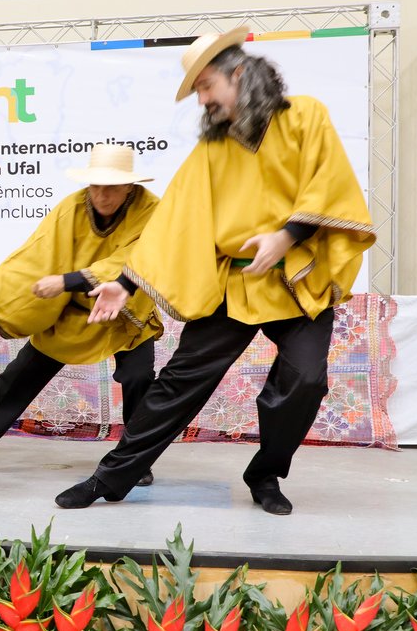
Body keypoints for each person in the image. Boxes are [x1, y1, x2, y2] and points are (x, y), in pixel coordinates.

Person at [54, 26, 376, 515]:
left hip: (297, 278)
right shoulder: (212, 149)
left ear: (239, 74)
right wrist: (122, 282)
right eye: (198, 91)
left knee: (306, 380)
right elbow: (173, 222)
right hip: (235, 284)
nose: (202, 99)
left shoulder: (306, 115)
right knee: (181, 382)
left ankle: (265, 473)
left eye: (206, 86)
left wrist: (285, 236)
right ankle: (111, 477)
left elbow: (327, 184)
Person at [0, 144, 162, 486]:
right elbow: (36, 255)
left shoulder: (153, 211)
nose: (101, 195)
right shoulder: (72, 208)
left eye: (111, 187)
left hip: (125, 310)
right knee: (18, 378)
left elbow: (144, 256)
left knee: (139, 379)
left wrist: (68, 280)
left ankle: (135, 462)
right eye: (96, 186)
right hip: (75, 310)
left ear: (129, 187)